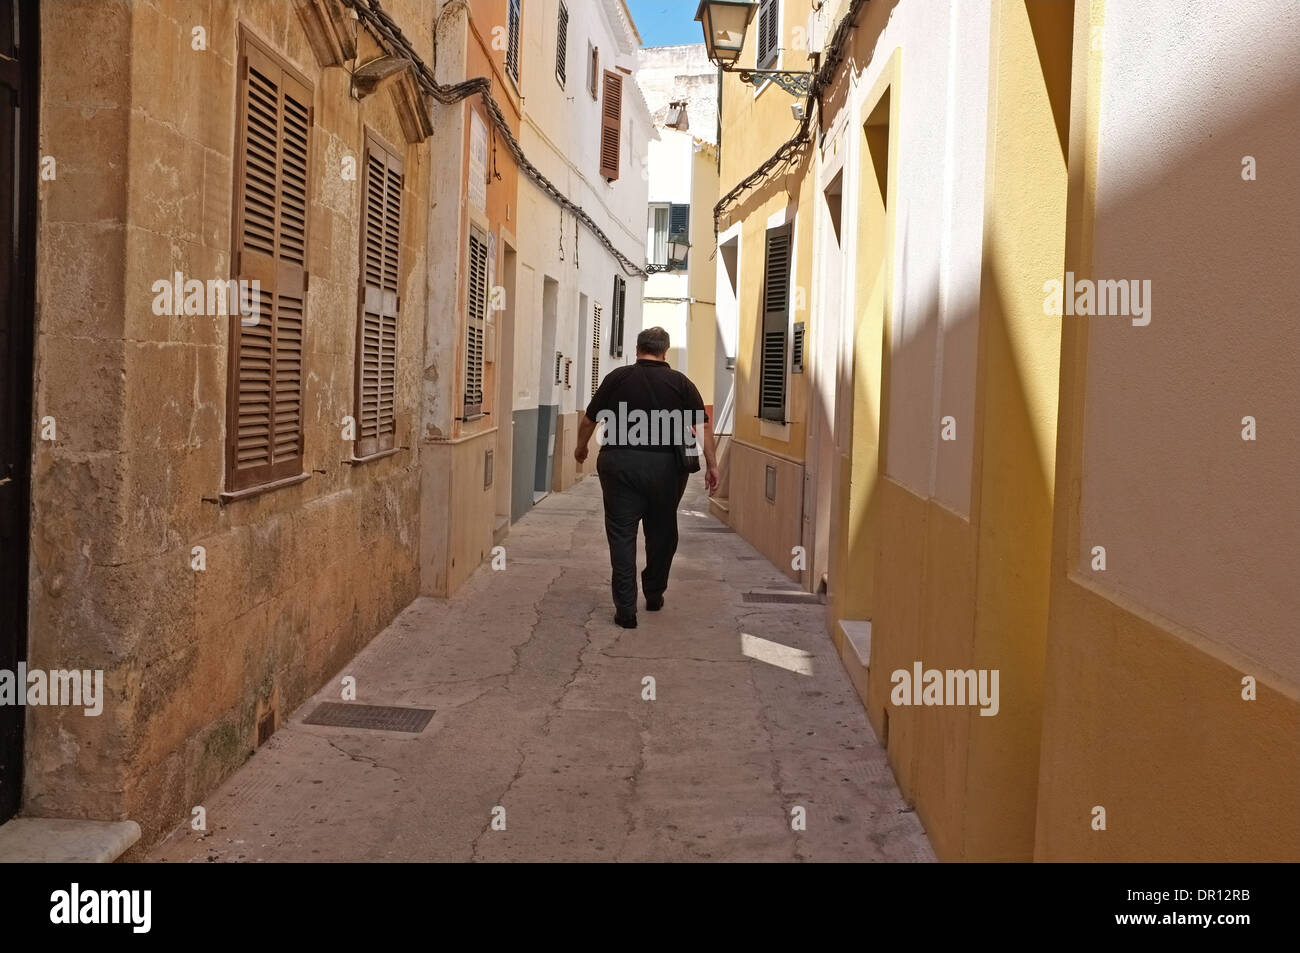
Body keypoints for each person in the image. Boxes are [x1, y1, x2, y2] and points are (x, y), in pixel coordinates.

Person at [575, 327, 720, 629]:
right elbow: (703, 426)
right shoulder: (681, 382)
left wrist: (580, 448)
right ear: (665, 352)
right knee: (662, 531)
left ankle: (626, 610)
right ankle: (654, 593)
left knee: (621, 535)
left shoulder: (617, 378)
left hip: (619, 464)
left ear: (638, 348)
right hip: (666, 468)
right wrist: (712, 465)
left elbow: (590, 419)